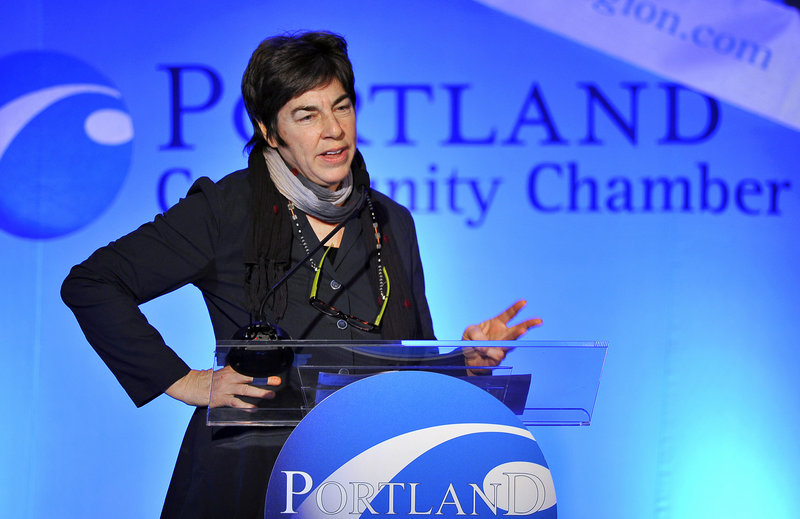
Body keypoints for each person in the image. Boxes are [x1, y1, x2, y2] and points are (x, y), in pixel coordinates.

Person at [61, 31, 541, 518]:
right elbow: (93, 283)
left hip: (366, 483)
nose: (333, 129)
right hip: (248, 480)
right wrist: (185, 381)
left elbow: (404, 369)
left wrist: (465, 360)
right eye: (307, 115)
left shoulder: (391, 220)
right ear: (270, 132)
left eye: (342, 107)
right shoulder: (228, 209)